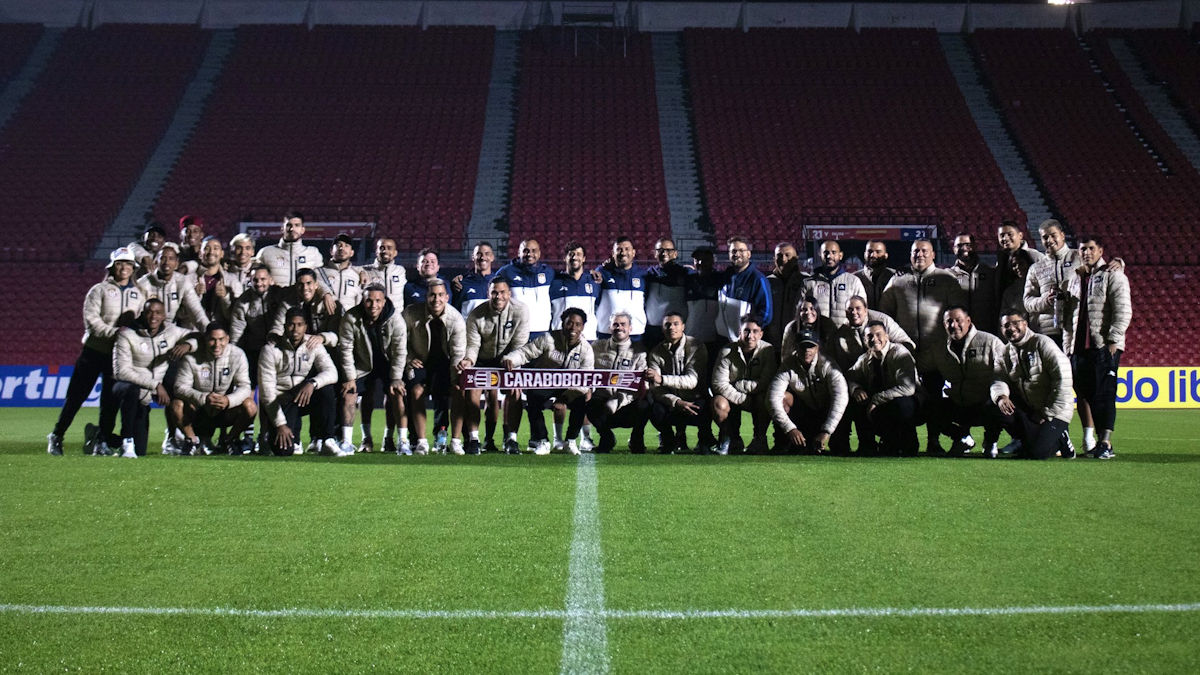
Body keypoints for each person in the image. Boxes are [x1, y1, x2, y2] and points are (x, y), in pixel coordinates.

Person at [48, 248, 145, 456]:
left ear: (133, 268)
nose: (124, 267)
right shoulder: (98, 290)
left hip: (117, 357)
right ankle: (57, 435)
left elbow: (139, 323)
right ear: (112, 267)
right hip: (93, 352)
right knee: (75, 398)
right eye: (120, 264)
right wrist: (116, 332)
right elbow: (91, 322)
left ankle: (101, 441)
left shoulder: (139, 294)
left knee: (109, 403)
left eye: (128, 264)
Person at [879, 238, 965, 454]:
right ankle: (910, 440)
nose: (920, 255)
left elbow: (958, 313)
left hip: (936, 353)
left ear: (933, 254)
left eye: (924, 251)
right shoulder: (898, 281)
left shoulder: (947, 279)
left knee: (935, 398)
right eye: (915, 251)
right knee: (906, 396)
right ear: (910, 255)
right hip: (904, 353)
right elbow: (884, 315)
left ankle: (934, 441)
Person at [1064, 236, 1131, 459]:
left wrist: (1113, 340)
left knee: (1105, 394)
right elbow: (1070, 314)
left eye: (1091, 249)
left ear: (1101, 251)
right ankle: (1096, 444)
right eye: (1083, 249)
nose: (1086, 253)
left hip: (1103, 346)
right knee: (1085, 394)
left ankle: (1105, 443)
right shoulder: (1077, 277)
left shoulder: (1114, 274)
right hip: (1079, 347)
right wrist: (1068, 345)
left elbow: (1122, 310)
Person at [502, 308, 595, 455]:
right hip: (545, 383)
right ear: (562, 323)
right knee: (533, 398)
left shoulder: (586, 349)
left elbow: (586, 380)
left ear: (583, 327)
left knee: (581, 400)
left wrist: (566, 396)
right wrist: (510, 359)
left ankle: (570, 441)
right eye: (569, 323)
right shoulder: (548, 339)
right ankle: (542, 441)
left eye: (578, 324)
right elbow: (526, 352)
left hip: (570, 387)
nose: (573, 328)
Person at [111, 299, 195, 457]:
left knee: (141, 450)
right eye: (149, 312)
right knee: (131, 389)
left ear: (164, 316)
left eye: (158, 313)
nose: (153, 316)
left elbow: (197, 335)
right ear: (143, 314)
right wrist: (155, 385)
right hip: (124, 387)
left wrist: (188, 345)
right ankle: (126, 443)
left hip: (147, 394)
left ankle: (103, 437)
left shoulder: (171, 331)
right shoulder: (126, 334)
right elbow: (121, 371)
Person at [457, 277, 530, 453]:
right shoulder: (476, 314)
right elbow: (473, 345)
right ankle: (475, 439)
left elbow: (521, 344)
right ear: (488, 294)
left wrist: (512, 359)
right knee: (473, 390)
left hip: (511, 356)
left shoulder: (521, 310)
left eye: (502, 292)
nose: (498, 296)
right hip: (482, 358)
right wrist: (469, 360)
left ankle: (511, 439)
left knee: (514, 389)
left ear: (509, 294)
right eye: (494, 292)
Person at [992, 310, 1076, 460]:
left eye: (1015, 323)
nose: (1011, 328)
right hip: (1031, 409)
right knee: (994, 406)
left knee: (1037, 454)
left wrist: (1046, 413)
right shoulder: (1004, 352)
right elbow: (998, 379)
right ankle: (1025, 440)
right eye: (1006, 325)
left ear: (1025, 324)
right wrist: (1001, 396)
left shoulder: (1043, 343)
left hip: (1055, 410)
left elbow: (1063, 382)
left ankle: (1062, 437)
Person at [259, 306, 342, 456]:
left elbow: (332, 372)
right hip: (282, 401)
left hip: (302, 396)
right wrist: (281, 424)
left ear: (305, 327)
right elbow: (267, 393)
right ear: (284, 326)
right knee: (283, 450)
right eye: (291, 324)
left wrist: (312, 383)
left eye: (299, 325)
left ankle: (327, 440)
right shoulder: (270, 350)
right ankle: (286, 438)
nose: (295, 329)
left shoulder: (313, 344)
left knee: (326, 390)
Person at [339, 284, 409, 454]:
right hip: (362, 365)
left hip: (388, 363)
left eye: (378, 300)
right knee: (351, 394)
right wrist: (350, 377)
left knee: (396, 393)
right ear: (362, 300)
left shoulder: (396, 319)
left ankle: (399, 441)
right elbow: (345, 349)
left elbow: (400, 352)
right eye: (369, 300)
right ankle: (352, 441)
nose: (373, 305)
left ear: (384, 301)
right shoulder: (351, 317)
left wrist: (396, 378)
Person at [931, 306, 1007, 457]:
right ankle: (961, 437)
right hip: (959, 402)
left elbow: (1003, 375)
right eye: (949, 322)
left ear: (968, 321)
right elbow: (922, 364)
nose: (954, 325)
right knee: (929, 406)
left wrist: (1001, 396)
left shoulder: (990, 342)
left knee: (1001, 405)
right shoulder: (939, 347)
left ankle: (991, 441)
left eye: (958, 320)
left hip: (985, 403)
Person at [171, 322, 256, 455]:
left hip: (225, 409)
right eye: (212, 339)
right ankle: (192, 441)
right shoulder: (191, 357)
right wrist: (203, 398)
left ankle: (229, 441)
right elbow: (179, 387)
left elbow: (245, 387)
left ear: (227, 339)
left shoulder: (237, 354)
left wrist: (228, 400)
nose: (217, 345)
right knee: (177, 404)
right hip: (200, 409)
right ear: (205, 339)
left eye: (221, 339)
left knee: (250, 406)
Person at [403, 279, 467, 454]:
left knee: (458, 389)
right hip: (420, 361)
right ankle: (421, 442)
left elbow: (458, 353)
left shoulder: (456, 319)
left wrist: (456, 380)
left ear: (447, 297)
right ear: (426, 296)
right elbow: (398, 342)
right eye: (432, 295)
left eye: (440, 295)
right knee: (416, 391)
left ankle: (455, 441)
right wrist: (409, 358)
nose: (436, 299)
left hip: (446, 363)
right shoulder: (410, 313)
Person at [769, 328, 849, 455]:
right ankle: (782, 443)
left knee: (840, 449)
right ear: (796, 347)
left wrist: (826, 431)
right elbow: (772, 398)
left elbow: (841, 397)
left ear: (817, 348)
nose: (807, 350)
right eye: (803, 346)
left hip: (826, 413)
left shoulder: (829, 365)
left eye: (811, 346)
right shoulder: (787, 365)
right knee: (784, 398)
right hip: (804, 413)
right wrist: (790, 429)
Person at [846, 321, 920, 456]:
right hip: (881, 406)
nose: (874, 339)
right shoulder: (864, 359)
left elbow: (908, 388)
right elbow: (849, 377)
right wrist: (856, 389)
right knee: (855, 400)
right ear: (864, 340)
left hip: (910, 404)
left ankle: (904, 440)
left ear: (887, 336)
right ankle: (867, 444)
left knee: (903, 404)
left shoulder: (900, 353)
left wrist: (876, 400)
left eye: (878, 334)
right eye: (869, 336)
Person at [646, 312, 713, 454]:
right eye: (667, 324)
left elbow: (692, 380)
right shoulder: (656, 352)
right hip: (672, 401)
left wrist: (662, 379)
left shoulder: (696, 346)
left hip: (694, 399)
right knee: (653, 407)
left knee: (708, 405)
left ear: (683, 327)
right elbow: (656, 389)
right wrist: (676, 402)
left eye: (676, 324)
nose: (672, 327)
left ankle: (704, 439)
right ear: (662, 329)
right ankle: (669, 440)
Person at [710, 314, 775, 454]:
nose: (750, 335)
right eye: (746, 331)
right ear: (739, 332)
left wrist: (740, 385)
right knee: (718, 403)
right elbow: (718, 383)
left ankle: (759, 439)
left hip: (756, 397)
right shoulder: (727, 351)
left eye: (755, 331)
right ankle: (730, 439)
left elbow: (766, 381)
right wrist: (742, 399)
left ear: (761, 334)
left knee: (766, 398)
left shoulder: (768, 351)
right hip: (734, 397)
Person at [587, 312, 650, 453]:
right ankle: (607, 438)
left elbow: (642, 384)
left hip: (627, 403)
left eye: (623, 324)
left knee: (645, 403)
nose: (619, 327)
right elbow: (585, 369)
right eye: (615, 324)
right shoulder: (596, 347)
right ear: (609, 328)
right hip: (602, 401)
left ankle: (637, 439)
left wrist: (617, 401)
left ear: (630, 328)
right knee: (588, 405)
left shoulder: (639, 352)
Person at [1023, 218, 1078, 346]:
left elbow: (1102, 270)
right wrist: (1045, 301)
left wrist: (1119, 262)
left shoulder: (1079, 257)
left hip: (1075, 328)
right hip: (1048, 331)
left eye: (1053, 235)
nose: (1049, 240)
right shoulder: (1036, 268)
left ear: (1062, 235)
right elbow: (1027, 302)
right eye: (1045, 237)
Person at [830, 296, 915, 373]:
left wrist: (889, 357)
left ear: (865, 310)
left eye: (858, 308)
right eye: (850, 309)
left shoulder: (884, 320)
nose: (854, 312)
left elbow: (908, 344)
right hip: (866, 374)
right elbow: (844, 365)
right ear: (845, 312)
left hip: (892, 368)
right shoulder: (841, 334)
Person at [137, 243, 208, 330]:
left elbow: (197, 312)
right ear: (156, 262)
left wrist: (210, 331)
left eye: (171, 259)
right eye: (163, 258)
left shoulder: (183, 281)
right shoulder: (143, 283)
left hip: (171, 330)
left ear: (176, 264)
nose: (167, 262)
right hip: (146, 329)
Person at [715, 236, 772, 343]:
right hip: (723, 339)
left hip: (745, 341)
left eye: (741, 250)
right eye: (733, 251)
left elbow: (766, 314)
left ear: (749, 254)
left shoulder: (758, 279)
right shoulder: (725, 276)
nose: (736, 254)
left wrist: (750, 333)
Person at [268, 268, 340, 349]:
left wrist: (322, 337)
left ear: (316, 285)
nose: (305, 288)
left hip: (324, 346)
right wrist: (274, 341)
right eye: (300, 284)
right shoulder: (287, 303)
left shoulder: (329, 302)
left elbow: (336, 334)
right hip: (295, 346)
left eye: (308, 283)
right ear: (296, 285)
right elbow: (277, 327)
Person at [593, 236, 647, 340]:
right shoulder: (602, 273)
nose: (623, 252)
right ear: (613, 254)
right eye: (619, 249)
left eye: (627, 249)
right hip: (606, 333)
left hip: (635, 334)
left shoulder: (643, 275)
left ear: (634, 252)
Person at [804, 240, 867, 328]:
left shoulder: (853, 282)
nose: (829, 256)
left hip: (845, 335)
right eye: (826, 253)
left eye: (834, 252)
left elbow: (863, 312)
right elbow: (799, 311)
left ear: (840, 255)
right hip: (818, 335)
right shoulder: (809, 283)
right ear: (820, 254)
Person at [644, 236, 691, 348]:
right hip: (653, 328)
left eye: (668, 250)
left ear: (675, 253)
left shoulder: (686, 274)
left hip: (675, 329)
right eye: (660, 250)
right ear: (655, 253)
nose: (664, 253)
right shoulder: (649, 274)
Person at [255, 211, 324, 287]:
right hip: (275, 298)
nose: (292, 229)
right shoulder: (266, 252)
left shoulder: (313, 253)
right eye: (288, 225)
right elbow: (255, 279)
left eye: (297, 225)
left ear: (303, 230)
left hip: (301, 298)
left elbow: (321, 281)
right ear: (282, 228)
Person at [948, 233, 998, 335]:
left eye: (968, 245)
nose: (964, 248)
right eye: (959, 246)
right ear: (954, 249)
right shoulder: (947, 275)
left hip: (985, 331)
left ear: (975, 247)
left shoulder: (989, 272)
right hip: (958, 332)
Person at [551, 241, 600, 342]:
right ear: (565, 258)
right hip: (562, 339)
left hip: (589, 338)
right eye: (571, 254)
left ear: (584, 258)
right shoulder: (554, 281)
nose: (574, 257)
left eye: (578, 254)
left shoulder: (594, 281)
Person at [195, 235, 244, 325]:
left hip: (220, 333)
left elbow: (237, 316)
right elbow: (181, 314)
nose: (211, 252)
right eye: (207, 248)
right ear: (200, 254)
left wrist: (225, 297)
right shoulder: (189, 279)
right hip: (194, 331)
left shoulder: (232, 280)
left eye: (215, 248)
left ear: (222, 254)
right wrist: (195, 295)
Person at [765, 242, 805, 351]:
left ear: (796, 258)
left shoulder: (806, 282)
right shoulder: (767, 282)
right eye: (779, 255)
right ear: (774, 259)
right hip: (771, 344)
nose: (783, 259)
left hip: (796, 344)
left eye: (788, 255)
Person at [995, 219, 1044, 302]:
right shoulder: (1001, 260)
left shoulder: (1034, 256)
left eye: (1010, 234)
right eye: (1002, 235)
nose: (1005, 238)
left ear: (1020, 235)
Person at [317, 233, 363, 314]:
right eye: (338, 245)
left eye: (346, 246)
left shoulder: (357, 276)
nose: (342, 248)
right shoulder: (319, 272)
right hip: (324, 322)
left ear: (352, 253)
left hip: (347, 322)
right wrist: (325, 293)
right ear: (331, 250)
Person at [361, 237, 408, 308]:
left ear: (395, 253)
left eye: (389, 248)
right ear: (376, 251)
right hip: (373, 315)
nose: (385, 251)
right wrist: (359, 272)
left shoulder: (400, 271)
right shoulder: (365, 270)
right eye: (382, 248)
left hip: (395, 316)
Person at [452, 241, 495, 317]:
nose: (483, 257)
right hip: (468, 328)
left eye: (487, 254)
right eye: (479, 254)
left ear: (492, 257)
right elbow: (454, 313)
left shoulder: (499, 283)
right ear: (473, 257)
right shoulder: (461, 284)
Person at [855, 240, 895, 308]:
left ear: (886, 255)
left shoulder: (894, 276)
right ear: (865, 254)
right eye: (870, 251)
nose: (873, 255)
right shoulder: (855, 278)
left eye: (878, 252)